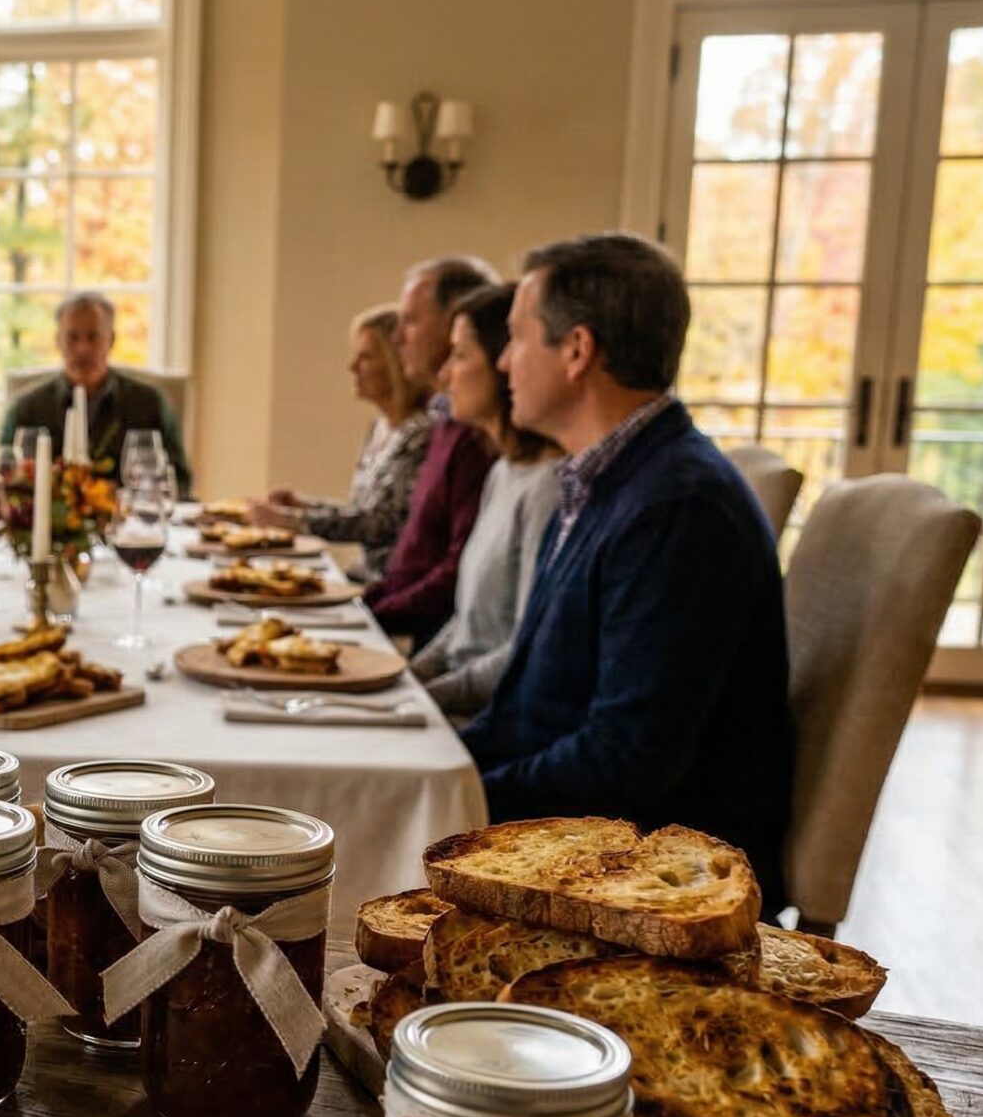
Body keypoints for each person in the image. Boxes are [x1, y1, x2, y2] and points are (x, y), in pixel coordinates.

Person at [457, 233, 795, 913]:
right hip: (588, 827)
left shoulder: (678, 506)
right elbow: (533, 707)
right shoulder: (602, 480)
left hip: (658, 873)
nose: (502, 360)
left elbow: (627, 762)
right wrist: (439, 762)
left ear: (578, 350)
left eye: (517, 338)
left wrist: (460, 792)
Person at [262, 257, 495, 581]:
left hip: (388, 593)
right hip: (385, 591)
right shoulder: (420, 425)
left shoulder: (448, 432)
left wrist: (295, 519)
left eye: (411, 321)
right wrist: (302, 508)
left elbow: (389, 525)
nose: (400, 339)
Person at [407, 284, 563, 719]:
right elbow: (468, 623)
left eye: (459, 355)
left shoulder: (549, 488)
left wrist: (425, 697)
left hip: (485, 718)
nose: (443, 376)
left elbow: (522, 650)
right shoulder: (502, 471)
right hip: (455, 698)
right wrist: (410, 675)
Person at [0, 292, 192, 491]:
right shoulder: (27, 408)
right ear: (58, 341)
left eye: (93, 337)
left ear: (111, 340)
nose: (83, 349)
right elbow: (3, 477)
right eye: (72, 337)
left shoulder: (149, 404)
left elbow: (179, 481)